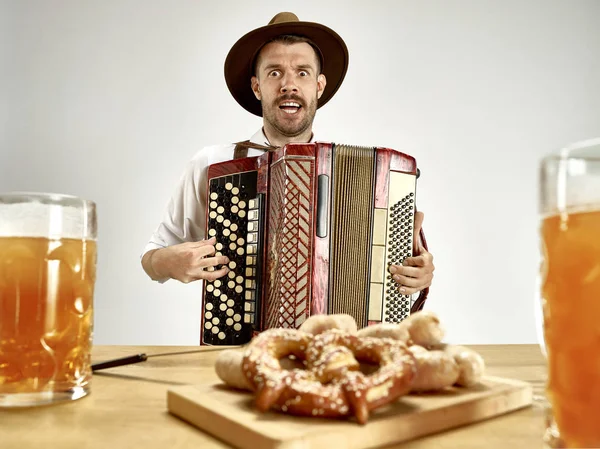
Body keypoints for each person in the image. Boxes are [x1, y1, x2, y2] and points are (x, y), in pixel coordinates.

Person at [141, 12, 434, 299]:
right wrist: (168, 262)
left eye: (302, 73)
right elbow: (153, 256)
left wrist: (417, 275)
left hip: (337, 341)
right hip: (247, 343)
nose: (288, 85)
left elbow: (403, 275)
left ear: (319, 85)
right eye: (274, 72)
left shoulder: (370, 176)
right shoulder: (214, 162)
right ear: (257, 86)